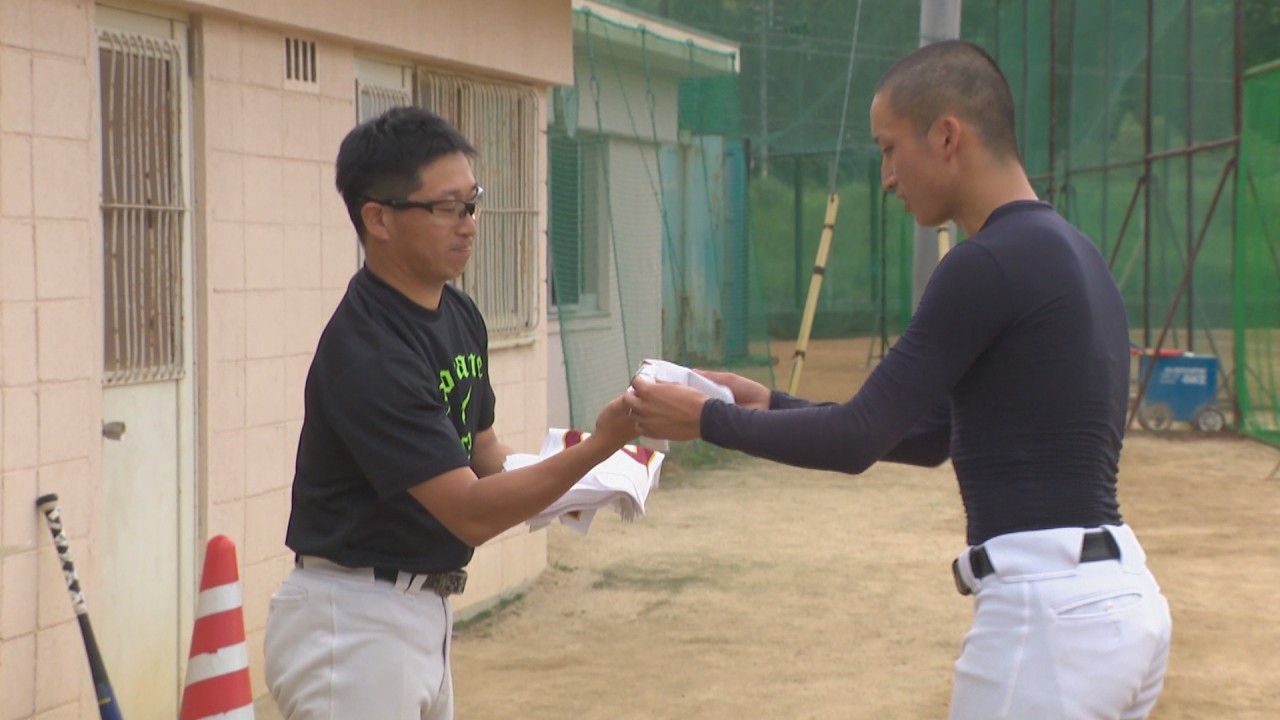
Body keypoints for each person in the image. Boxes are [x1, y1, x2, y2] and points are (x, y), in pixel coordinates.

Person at [625, 40, 1172, 719]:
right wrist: (769, 401)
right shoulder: (1076, 254)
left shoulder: (984, 265)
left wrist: (706, 420)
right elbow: (931, 434)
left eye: (889, 148)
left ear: (947, 136)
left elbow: (855, 440)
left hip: (1048, 619)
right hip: (1123, 604)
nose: (885, 175)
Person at [264, 106, 636, 720]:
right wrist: (598, 446)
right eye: (445, 208)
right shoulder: (371, 352)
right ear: (377, 218)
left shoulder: (458, 315)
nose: (467, 225)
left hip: (419, 612)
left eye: (472, 203)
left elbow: (483, 453)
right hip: (353, 621)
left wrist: (586, 480)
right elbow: (467, 513)